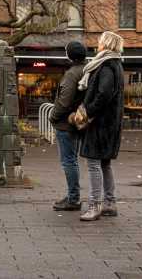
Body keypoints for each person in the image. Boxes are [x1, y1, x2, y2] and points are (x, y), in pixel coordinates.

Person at [78, 31, 124, 222]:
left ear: (106, 44)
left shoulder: (106, 66)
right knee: (105, 163)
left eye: (99, 42)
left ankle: (95, 205)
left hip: (100, 124)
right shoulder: (116, 65)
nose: (97, 44)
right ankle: (109, 203)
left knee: (94, 163)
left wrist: (87, 111)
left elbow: (104, 94)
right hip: (110, 123)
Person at [48, 41, 87, 211]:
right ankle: (73, 196)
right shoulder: (85, 69)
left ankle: (73, 199)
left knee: (68, 161)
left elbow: (64, 101)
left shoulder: (72, 74)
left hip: (66, 124)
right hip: (74, 122)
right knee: (72, 160)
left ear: (70, 55)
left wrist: (53, 116)